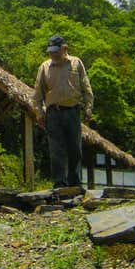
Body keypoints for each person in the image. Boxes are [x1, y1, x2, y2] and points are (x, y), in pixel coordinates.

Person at [32, 35, 94, 189]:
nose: (53, 54)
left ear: (64, 48)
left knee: (75, 148)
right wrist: (39, 113)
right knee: (56, 149)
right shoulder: (44, 67)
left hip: (72, 111)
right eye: (50, 51)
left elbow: (86, 88)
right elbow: (37, 94)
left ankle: (75, 183)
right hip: (53, 113)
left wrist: (88, 107)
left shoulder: (76, 63)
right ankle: (59, 183)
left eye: (56, 51)